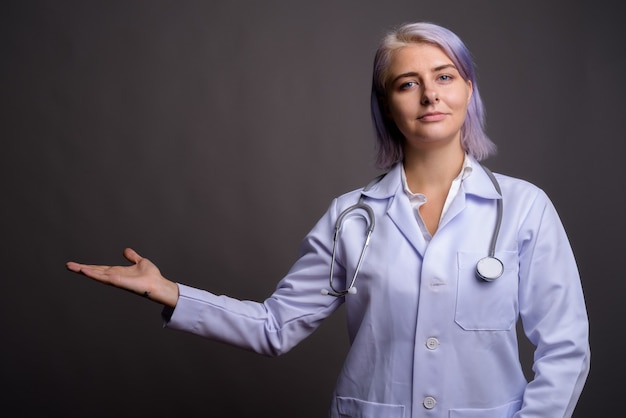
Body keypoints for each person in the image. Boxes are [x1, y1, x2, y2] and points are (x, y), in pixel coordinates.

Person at [66, 21, 590, 417]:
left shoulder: (523, 208)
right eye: (407, 84)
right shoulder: (351, 218)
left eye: (445, 76)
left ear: (468, 89)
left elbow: (565, 349)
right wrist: (171, 292)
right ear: (387, 106)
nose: (430, 94)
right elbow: (275, 327)